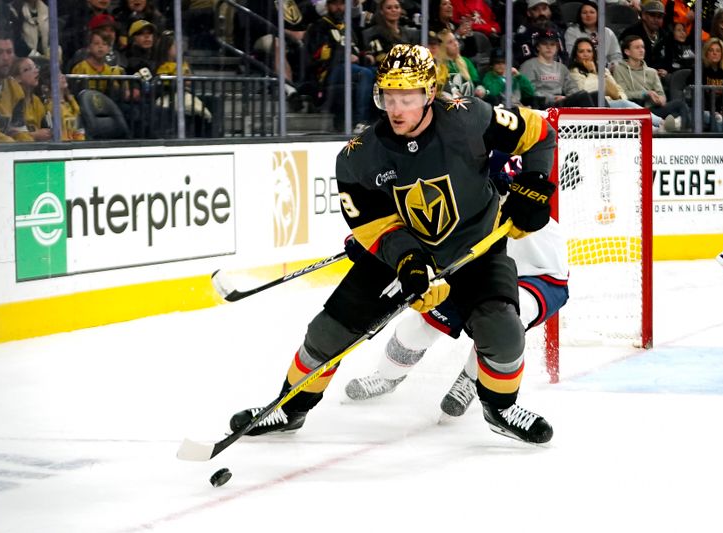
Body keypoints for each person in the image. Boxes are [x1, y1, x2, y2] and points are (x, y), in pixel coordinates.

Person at [228, 43, 558, 444]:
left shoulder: (470, 118)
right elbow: (374, 227)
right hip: (401, 258)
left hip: (474, 249)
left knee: (504, 333)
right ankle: (290, 407)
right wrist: (408, 261)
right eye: (389, 96)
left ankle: (500, 409)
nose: (396, 108)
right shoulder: (358, 157)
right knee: (328, 333)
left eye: (408, 97)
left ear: (430, 94)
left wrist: (537, 184)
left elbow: (541, 135)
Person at [343, 154, 568, 417]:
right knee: (418, 327)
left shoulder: (502, 168)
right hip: (479, 271)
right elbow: (418, 218)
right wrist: (373, 243)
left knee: (502, 320)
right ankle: (387, 376)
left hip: (538, 274)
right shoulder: (456, 178)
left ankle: (471, 380)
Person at [304, 0, 376, 132]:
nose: (338, 8)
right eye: (334, 4)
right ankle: (360, 122)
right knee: (364, 74)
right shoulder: (319, 26)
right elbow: (318, 55)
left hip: (350, 68)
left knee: (380, 73)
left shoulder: (347, 27)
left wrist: (366, 57)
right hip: (328, 71)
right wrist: (344, 57)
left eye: (342, 4)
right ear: (327, 6)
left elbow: (357, 51)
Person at [613, 35, 689, 130]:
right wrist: (646, 94)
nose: (641, 50)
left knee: (680, 104)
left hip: (652, 109)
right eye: (637, 47)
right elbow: (623, 94)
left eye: (643, 47)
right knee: (673, 117)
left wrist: (660, 100)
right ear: (627, 51)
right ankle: (666, 126)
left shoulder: (652, 72)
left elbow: (661, 95)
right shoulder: (619, 70)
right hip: (633, 108)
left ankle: (683, 134)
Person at [519, 30, 596, 109]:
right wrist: (552, 98)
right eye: (545, 44)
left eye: (552, 44)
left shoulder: (562, 68)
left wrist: (568, 97)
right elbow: (528, 92)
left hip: (561, 102)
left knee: (596, 96)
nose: (549, 47)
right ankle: (593, 120)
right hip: (542, 104)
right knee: (583, 97)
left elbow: (572, 88)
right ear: (538, 46)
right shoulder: (528, 66)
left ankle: (604, 120)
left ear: (557, 47)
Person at [0, 31, 34, 143]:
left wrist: (30, 147)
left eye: (9, 52)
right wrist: (15, 148)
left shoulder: (15, 88)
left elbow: (18, 130)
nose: (5, 58)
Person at [618, 0, 671, 79]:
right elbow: (625, 59)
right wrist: (649, 71)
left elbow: (669, 58)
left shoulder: (665, 34)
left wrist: (666, 70)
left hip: (660, 75)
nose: (656, 19)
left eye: (659, 17)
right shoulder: (631, 32)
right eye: (652, 15)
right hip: (635, 75)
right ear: (644, 15)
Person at [563, 0, 622, 70]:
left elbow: (616, 55)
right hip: (581, 69)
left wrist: (614, 65)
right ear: (580, 16)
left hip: (606, 70)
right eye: (584, 13)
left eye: (592, 12)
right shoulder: (572, 32)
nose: (588, 15)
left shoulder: (608, 32)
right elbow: (572, 55)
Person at [512, 0, 569, 67]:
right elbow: (525, 60)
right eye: (535, 9)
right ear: (529, 13)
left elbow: (563, 55)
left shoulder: (556, 29)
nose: (541, 13)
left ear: (549, 11)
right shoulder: (524, 32)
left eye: (544, 9)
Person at [12, 57, 51, 141]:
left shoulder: (37, 101)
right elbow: (8, 134)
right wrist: (35, 135)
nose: (36, 71)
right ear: (17, 78)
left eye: (35, 67)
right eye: (27, 69)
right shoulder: (12, 101)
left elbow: (46, 126)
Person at [440, 29, 486, 98]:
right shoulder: (439, 65)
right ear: (442, 46)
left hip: (469, 101)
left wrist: (480, 89)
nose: (456, 44)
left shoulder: (466, 61)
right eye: (450, 42)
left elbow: (476, 82)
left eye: (455, 40)